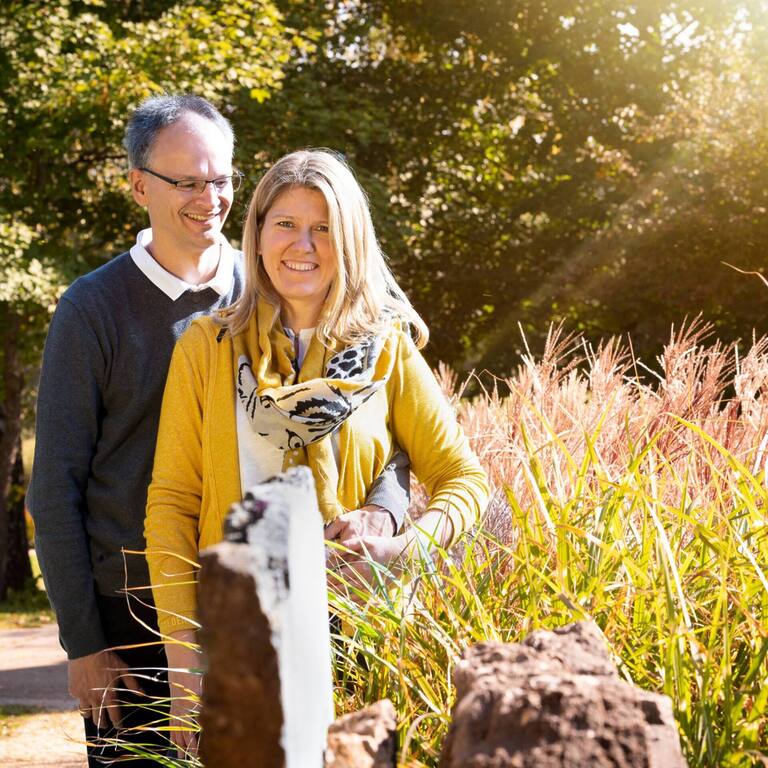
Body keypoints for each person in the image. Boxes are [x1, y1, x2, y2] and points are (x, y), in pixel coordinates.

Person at [27, 97, 408, 766]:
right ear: (139, 184)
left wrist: (383, 507)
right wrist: (84, 643)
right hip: (138, 625)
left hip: (287, 611)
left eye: (224, 179)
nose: (211, 197)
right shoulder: (92, 310)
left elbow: (383, 429)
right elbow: (55, 488)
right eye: (188, 182)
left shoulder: (287, 282)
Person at [145, 148, 489, 756]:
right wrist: (182, 658)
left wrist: (404, 547)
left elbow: (464, 478)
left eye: (324, 227)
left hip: (363, 641)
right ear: (256, 236)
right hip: (236, 641)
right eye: (286, 224)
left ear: (350, 240)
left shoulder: (387, 348)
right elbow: (172, 505)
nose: (302, 244)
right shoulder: (207, 345)